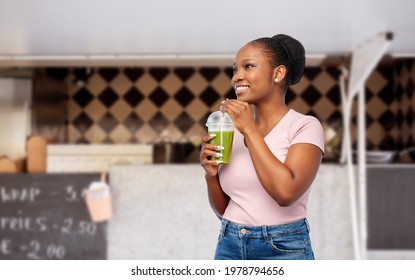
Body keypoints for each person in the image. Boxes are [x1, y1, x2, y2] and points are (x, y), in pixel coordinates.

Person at [199, 34, 324, 260]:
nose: (237, 77)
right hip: (229, 243)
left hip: (283, 247)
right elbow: (224, 211)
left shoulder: (304, 126)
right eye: (235, 69)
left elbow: (285, 193)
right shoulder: (231, 131)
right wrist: (211, 176)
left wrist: (249, 130)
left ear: (278, 73)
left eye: (248, 66)